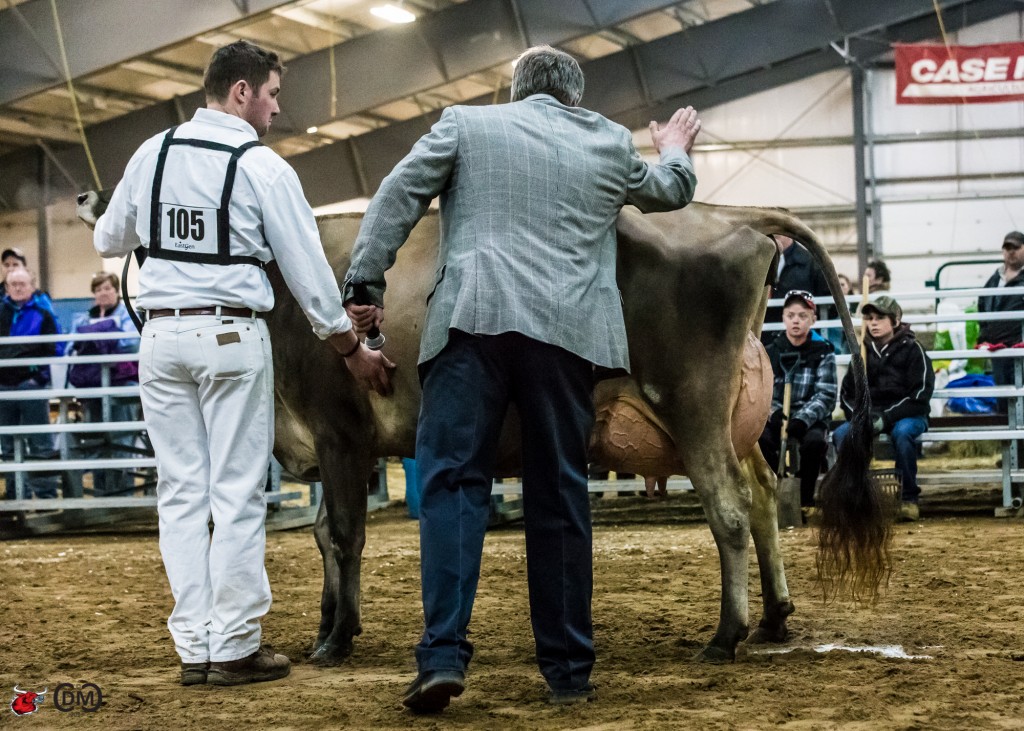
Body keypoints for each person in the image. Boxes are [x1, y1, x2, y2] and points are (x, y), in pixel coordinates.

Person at [343, 45, 700, 711]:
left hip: (471, 323)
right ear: (575, 95)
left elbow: (399, 190)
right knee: (559, 492)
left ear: (514, 90)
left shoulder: (467, 125)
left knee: (452, 483)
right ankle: (568, 668)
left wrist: (365, 275)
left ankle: (442, 654)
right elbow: (672, 191)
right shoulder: (606, 142)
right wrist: (674, 145)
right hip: (567, 337)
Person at [89, 40, 394, 688]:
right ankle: (233, 644)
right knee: (233, 493)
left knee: (180, 495)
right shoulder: (262, 167)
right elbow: (311, 275)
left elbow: (108, 239)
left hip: (162, 339)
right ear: (241, 92)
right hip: (230, 336)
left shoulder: (153, 153)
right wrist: (351, 349)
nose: (277, 109)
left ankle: (194, 644)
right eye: (274, 94)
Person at [834, 296, 933, 522]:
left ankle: (908, 499)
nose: (873, 323)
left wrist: (886, 418)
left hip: (908, 415)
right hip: (869, 415)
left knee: (903, 434)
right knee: (842, 435)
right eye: (869, 318)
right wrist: (861, 417)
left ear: (896, 320)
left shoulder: (913, 350)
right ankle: (855, 496)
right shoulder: (861, 353)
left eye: (880, 318)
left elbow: (920, 395)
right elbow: (847, 395)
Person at [758, 291, 837, 509]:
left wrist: (802, 419)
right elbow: (763, 391)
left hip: (810, 417)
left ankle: (804, 498)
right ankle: (773, 494)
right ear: (783, 317)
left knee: (815, 443)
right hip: (777, 415)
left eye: (803, 316)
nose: (796, 321)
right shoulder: (771, 351)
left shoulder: (823, 351)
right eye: (791, 315)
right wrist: (773, 414)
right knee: (760, 440)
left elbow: (826, 395)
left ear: (813, 319)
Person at [67, 272, 141, 497]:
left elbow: (132, 343)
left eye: (107, 288)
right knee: (96, 440)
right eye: (99, 289)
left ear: (116, 291)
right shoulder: (81, 319)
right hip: (91, 387)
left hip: (122, 384)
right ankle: (101, 492)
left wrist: (98, 340)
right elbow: (71, 345)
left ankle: (124, 492)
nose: (103, 293)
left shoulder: (128, 314)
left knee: (122, 438)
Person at [0, 268, 60, 501]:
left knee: (40, 442)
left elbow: (53, 348)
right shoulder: (1, 312)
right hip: (3, 386)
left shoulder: (43, 314)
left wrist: (38, 377)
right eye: (13, 284)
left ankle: (46, 496)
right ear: (6, 288)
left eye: (22, 283)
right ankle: (17, 494)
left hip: (31, 384)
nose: (17, 287)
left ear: (32, 286)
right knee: (7, 443)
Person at [977, 231, 1024, 396]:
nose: (1011, 251)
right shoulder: (994, 278)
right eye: (1007, 247)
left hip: (1019, 347)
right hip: (997, 348)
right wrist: (985, 335)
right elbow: (982, 305)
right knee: (1003, 393)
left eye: (1016, 247)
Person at [762, 234, 830, 343]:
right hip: (764, 337)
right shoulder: (756, 260)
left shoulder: (811, 262)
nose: (773, 234)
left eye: (777, 231)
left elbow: (828, 304)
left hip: (803, 342)